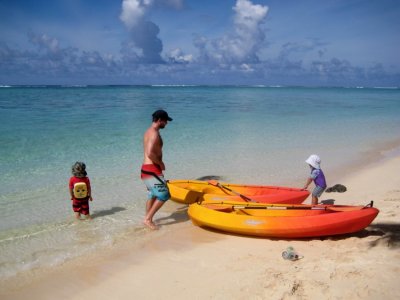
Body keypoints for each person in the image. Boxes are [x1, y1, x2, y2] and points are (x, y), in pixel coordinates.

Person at [141, 109, 173, 229]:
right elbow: (150, 153)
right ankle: (148, 219)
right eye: (165, 121)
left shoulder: (147, 132)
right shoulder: (154, 133)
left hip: (146, 169)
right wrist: (160, 163)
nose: (167, 123)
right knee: (164, 195)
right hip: (152, 169)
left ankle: (147, 218)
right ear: (159, 120)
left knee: (152, 195)